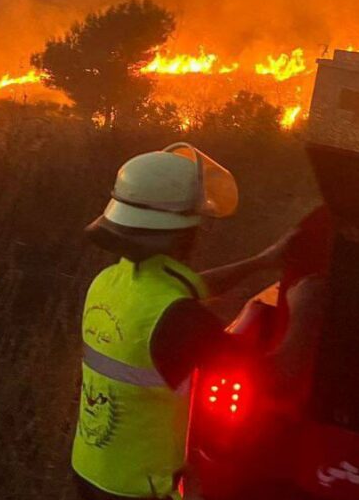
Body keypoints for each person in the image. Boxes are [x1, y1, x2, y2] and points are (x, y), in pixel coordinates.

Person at [71, 143, 297, 500]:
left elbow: (185, 287)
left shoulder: (108, 284)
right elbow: (275, 376)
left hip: (90, 470)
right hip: (139, 489)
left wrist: (261, 261)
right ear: (185, 232)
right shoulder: (180, 319)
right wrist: (306, 300)